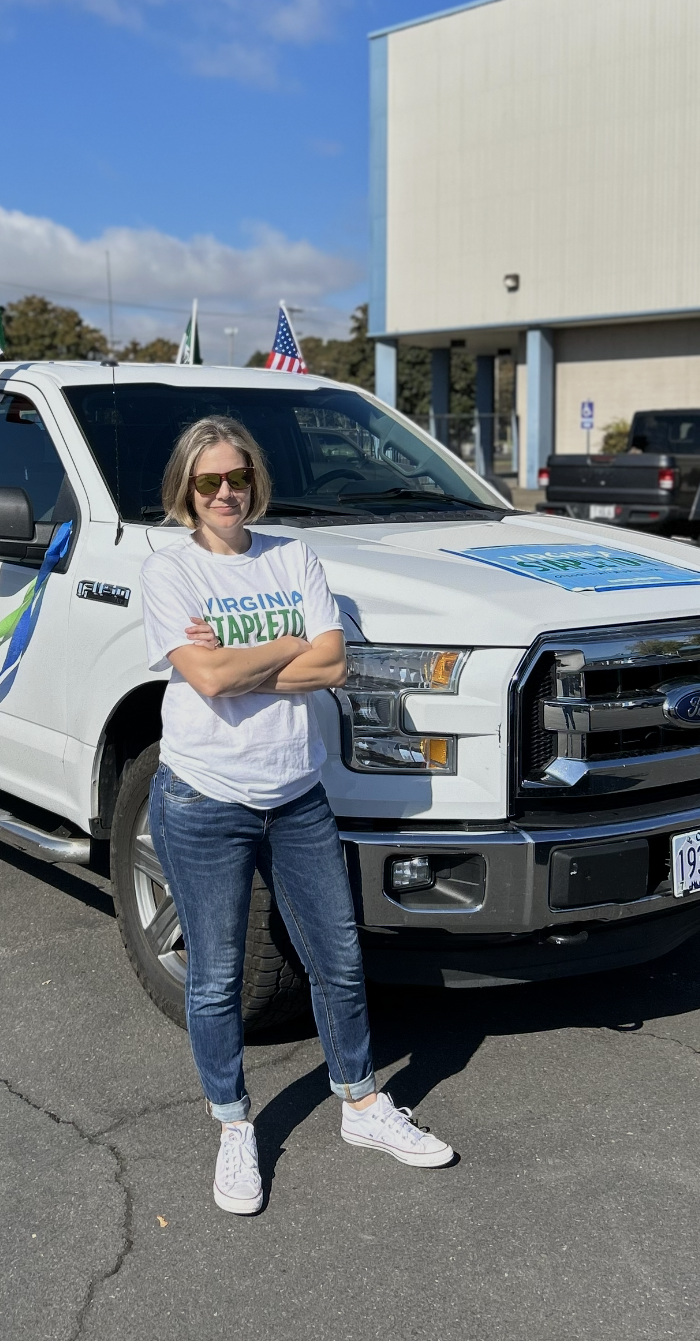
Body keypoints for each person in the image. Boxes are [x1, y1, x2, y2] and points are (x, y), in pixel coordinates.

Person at [140, 415, 454, 1217]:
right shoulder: (168, 570)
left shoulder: (293, 556)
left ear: (254, 480)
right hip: (205, 795)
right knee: (215, 979)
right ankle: (234, 1127)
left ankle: (360, 1105)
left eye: (236, 477)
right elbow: (206, 680)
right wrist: (284, 643)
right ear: (187, 488)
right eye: (208, 481)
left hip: (297, 795)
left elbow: (334, 662)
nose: (225, 493)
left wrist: (246, 661)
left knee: (340, 959)